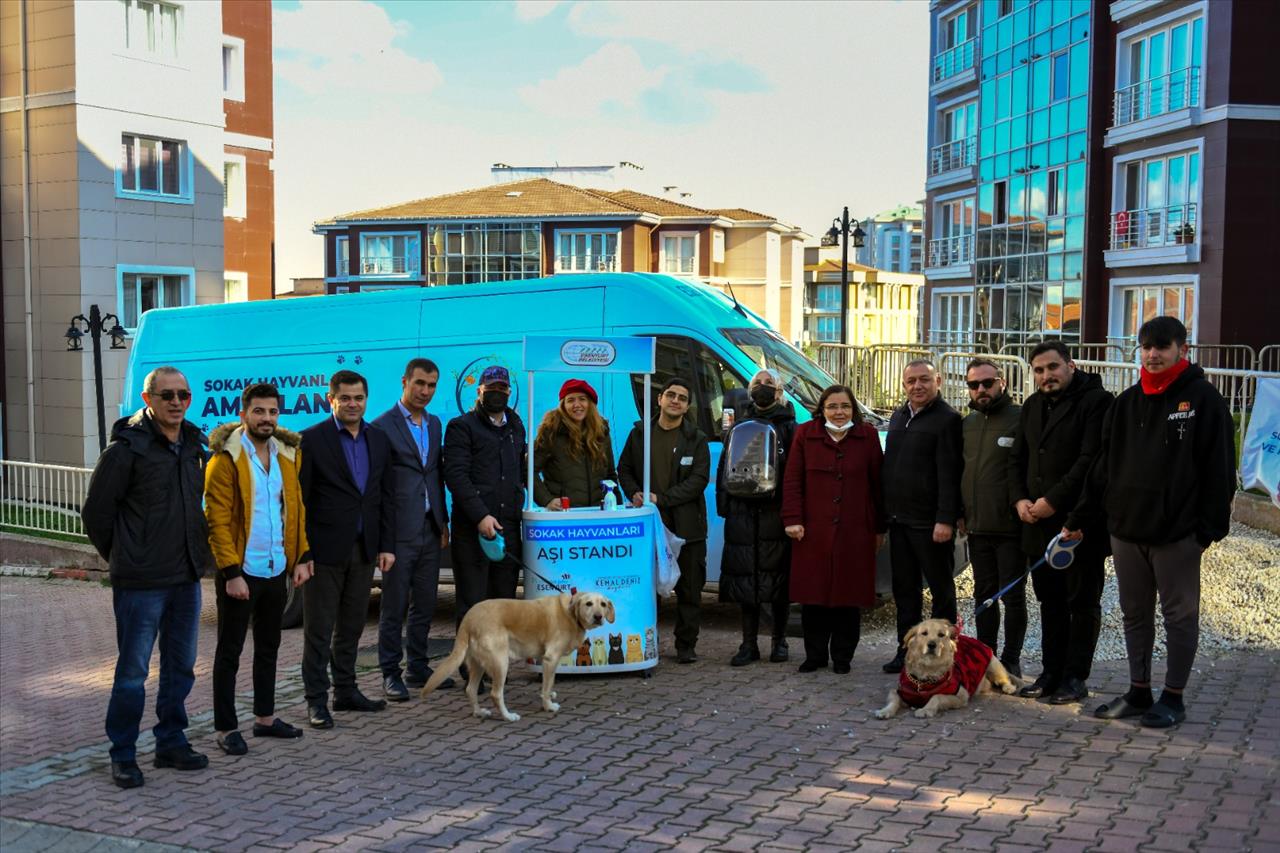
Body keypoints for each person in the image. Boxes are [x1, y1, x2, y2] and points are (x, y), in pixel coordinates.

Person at [1065, 317, 1234, 728]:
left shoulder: (1202, 400)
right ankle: (1139, 690)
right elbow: (1102, 467)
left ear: (1183, 349)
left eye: (1162, 346)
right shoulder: (1126, 402)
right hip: (1126, 531)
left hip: (1177, 535)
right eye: (1146, 347)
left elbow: (1220, 470)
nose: (1153, 354)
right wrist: (1080, 517)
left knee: (1179, 617)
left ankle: (1173, 697)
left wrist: (1205, 532)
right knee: (1134, 614)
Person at [81, 366, 214, 789]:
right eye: (167, 395)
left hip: (186, 577)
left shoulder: (195, 444)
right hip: (141, 583)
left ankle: (170, 741)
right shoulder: (126, 449)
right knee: (133, 673)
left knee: (182, 668)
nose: (176, 402)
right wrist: (125, 556)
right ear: (148, 399)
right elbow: (97, 514)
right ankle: (123, 753)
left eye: (183, 395)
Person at [205, 383, 312, 756]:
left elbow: (295, 511)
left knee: (269, 647)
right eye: (259, 411)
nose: (266, 419)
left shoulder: (287, 455)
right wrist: (231, 572)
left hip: (276, 567)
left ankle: (265, 719)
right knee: (229, 652)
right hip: (241, 571)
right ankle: (225, 727)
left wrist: (299, 558)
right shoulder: (225, 460)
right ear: (243, 414)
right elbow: (217, 521)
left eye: (272, 412)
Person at [1010, 341, 1112, 705]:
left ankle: (1075, 677)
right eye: (1038, 370)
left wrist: (1053, 502)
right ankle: (1051, 672)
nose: (1046, 376)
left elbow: (1091, 462)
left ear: (1070, 364)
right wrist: (1020, 499)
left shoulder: (1098, 402)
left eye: (1052, 367)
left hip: (1078, 522)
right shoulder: (1033, 405)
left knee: (1081, 602)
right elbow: (1018, 459)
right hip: (1037, 523)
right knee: (1049, 601)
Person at [298, 370, 397, 728]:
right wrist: (302, 553)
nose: (353, 404)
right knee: (319, 630)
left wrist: (386, 545)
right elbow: (300, 502)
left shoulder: (379, 439)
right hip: (324, 551)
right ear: (331, 399)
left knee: (353, 626)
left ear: (366, 400)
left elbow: (384, 497)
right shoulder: (310, 440)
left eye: (359, 398)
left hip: (365, 548)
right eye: (346, 398)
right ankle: (316, 700)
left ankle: (345, 691)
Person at [782, 384, 886, 674]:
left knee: (847, 597)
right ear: (822, 409)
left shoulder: (867, 436)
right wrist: (792, 518)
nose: (839, 412)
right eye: (832, 406)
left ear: (853, 409)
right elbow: (792, 481)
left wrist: (879, 527)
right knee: (813, 597)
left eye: (845, 406)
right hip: (812, 530)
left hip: (856, 530)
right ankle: (814, 655)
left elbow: (878, 485)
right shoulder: (805, 434)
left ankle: (843, 657)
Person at [371, 358, 453, 702]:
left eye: (431, 386)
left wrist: (443, 521)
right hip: (397, 532)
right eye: (419, 383)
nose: (425, 391)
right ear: (404, 381)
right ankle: (390, 673)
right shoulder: (381, 426)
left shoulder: (434, 424)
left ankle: (417, 667)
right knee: (393, 605)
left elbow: (434, 474)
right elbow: (374, 487)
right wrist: (381, 539)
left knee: (425, 602)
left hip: (430, 528)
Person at [617, 377, 711, 663]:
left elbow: (699, 480)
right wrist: (634, 492)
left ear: (687, 406)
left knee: (690, 590)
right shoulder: (640, 433)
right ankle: (649, 643)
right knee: (648, 592)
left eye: (682, 398)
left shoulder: (697, 439)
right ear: (659, 399)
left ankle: (686, 646)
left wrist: (662, 499)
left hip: (687, 527)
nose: (675, 400)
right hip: (649, 527)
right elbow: (624, 469)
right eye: (671, 395)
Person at [880, 359, 963, 674]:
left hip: (930, 524)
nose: (917, 386)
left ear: (938, 381)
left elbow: (950, 473)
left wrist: (946, 518)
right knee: (905, 591)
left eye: (924, 379)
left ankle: (948, 656)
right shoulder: (899, 416)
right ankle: (907, 653)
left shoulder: (948, 420)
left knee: (941, 591)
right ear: (904, 385)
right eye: (911, 381)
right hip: (899, 522)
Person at [716, 368, 797, 666]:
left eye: (769, 384)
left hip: (775, 513)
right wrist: (724, 506)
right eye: (757, 383)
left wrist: (792, 512)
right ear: (750, 391)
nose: (762, 388)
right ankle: (748, 644)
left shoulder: (790, 426)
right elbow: (724, 464)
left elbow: (795, 474)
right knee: (746, 582)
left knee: (778, 582)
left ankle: (780, 642)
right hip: (742, 512)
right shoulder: (740, 422)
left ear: (779, 392)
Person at [443, 365, 527, 629]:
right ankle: (472, 668)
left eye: (501, 388)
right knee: (474, 605)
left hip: (508, 528)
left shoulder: (516, 426)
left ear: (509, 391)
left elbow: (521, 472)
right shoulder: (461, 427)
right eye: (490, 389)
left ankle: (496, 668)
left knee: (504, 604)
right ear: (479, 390)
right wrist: (480, 515)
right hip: (472, 531)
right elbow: (456, 476)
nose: (496, 393)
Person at [959, 359, 1026, 678]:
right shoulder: (967, 423)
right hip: (977, 526)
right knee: (983, 596)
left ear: (1003, 383)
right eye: (974, 385)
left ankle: (1011, 660)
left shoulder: (1020, 418)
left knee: (1013, 596)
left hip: (1011, 528)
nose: (981, 390)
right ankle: (986, 657)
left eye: (987, 383)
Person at [532, 378, 617, 510]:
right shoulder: (551, 432)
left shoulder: (601, 432)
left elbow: (610, 474)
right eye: (570, 400)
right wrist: (546, 500)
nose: (577, 404)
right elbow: (529, 470)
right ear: (563, 406)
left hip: (599, 515)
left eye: (582, 399)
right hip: (564, 517)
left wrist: (617, 508)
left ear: (590, 403)